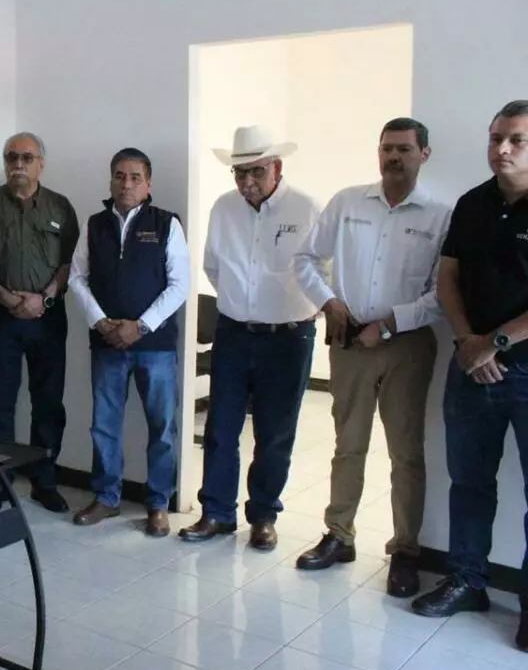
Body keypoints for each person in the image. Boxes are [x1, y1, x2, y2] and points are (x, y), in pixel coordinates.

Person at [291, 118, 449, 597]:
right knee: (348, 444)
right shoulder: (347, 202)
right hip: (351, 343)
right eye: (386, 148)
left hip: (407, 346)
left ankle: (405, 551)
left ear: (424, 154)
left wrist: (391, 324)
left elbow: (442, 293)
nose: (393, 157)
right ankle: (339, 535)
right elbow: (305, 259)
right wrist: (328, 302)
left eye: (403, 149)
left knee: (406, 453)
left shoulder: (440, 216)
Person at [411, 100, 528, 651]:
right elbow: (448, 279)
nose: (501, 149)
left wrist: (493, 343)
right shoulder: (473, 203)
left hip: (521, 370)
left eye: (516, 140)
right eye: (495, 138)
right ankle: (467, 581)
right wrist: (466, 343)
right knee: (469, 481)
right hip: (470, 368)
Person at [179, 125, 321, 550]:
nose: (247, 182)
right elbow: (213, 265)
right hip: (234, 333)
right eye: (240, 173)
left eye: (256, 171)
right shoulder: (224, 208)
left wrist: (292, 308)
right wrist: (242, 303)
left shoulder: (306, 208)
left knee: (275, 432)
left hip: (288, 337)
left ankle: (263, 515)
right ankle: (217, 512)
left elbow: (325, 269)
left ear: (277, 167)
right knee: (221, 426)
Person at [68, 148, 189, 536]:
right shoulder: (94, 224)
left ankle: (158, 504)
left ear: (148, 184)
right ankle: (107, 497)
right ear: (110, 181)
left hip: (155, 346)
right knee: (104, 426)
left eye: (135, 177)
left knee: (162, 428)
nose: (126, 183)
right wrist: (100, 321)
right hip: (107, 344)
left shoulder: (167, 224)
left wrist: (141, 326)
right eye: (119, 176)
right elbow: (76, 278)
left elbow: (180, 285)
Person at [0, 132, 79, 514]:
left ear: (41, 164)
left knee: (48, 403)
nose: (18, 164)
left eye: (26, 158)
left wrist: (44, 298)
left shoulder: (60, 206)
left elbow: (70, 263)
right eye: (11, 157)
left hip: (47, 319)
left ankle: (44, 481)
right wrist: (8, 299)